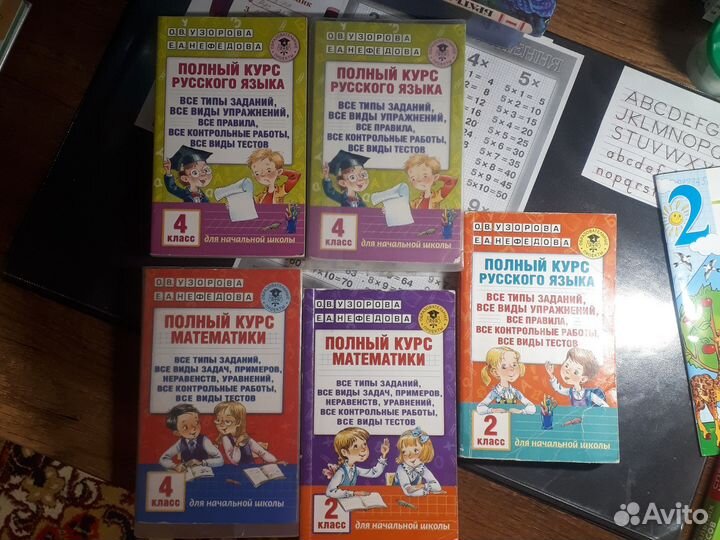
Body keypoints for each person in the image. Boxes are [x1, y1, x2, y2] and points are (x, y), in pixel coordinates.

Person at [213, 401, 285, 465]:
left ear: (238, 422)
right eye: (218, 420)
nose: (221, 424)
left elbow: (262, 452)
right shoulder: (225, 438)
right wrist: (237, 445)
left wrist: (275, 461)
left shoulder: (245, 438)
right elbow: (234, 461)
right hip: (234, 471)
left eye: (227, 421)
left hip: (251, 469)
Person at [325, 427, 389, 499]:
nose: (363, 449)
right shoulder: (341, 472)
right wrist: (354, 493)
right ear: (344, 452)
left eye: (364, 444)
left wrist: (384, 455)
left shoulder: (355, 469)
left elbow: (374, 473)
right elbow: (329, 492)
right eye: (355, 446)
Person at [159, 404, 223, 471]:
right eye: (185, 427)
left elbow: (220, 460)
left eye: (196, 422)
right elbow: (163, 459)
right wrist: (174, 466)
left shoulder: (204, 441)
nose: (194, 428)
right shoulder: (180, 443)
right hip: (187, 473)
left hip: (203, 472)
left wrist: (202, 462)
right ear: (177, 433)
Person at [476, 346, 536, 415]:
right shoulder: (495, 392)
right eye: (504, 366)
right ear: (495, 372)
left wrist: (521, 411)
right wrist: (492, 410)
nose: (512, 369)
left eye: (514, 364)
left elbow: (532, 407)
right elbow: (480, 407)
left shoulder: (515, 392)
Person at [545, 348, 609, 407]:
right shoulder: (571, 392)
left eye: (575, 372)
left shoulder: (589, 394)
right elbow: (559, 389)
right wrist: (551, 374)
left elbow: (604, 405)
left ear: (583, 379)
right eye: (566, 365)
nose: (567, 371)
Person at [394, 427, 443, 497]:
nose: (410, 457)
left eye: (416, 451)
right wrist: (425, 490)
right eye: (404, 452)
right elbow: (408, 491)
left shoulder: (422, 468)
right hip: (397, 496)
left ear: (425, 451)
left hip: (416, 498)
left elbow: (437, 487)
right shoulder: (401, 469)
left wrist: (423, 486)